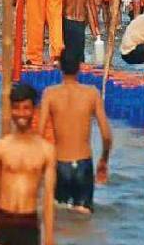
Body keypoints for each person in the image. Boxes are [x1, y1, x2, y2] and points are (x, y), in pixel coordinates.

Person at [37, 50, 112, 214]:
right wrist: (103, 160)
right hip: (83, 165)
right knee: (84, 220)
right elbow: (106, 134)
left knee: (59, 218)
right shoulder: (92, 93)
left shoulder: (50, 94)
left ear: (60, 67)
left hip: (60, 164)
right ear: (80, 67)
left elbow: (40, 135)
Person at [0, 83, 56, 245]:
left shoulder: (46, 150)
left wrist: (50, 238)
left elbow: (48, 197)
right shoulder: (0, 147)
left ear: (34, 110)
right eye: (16, 108)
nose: (21, 113)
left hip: (28, 222)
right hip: (3, 220)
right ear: (10, 110)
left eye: (26, 108)